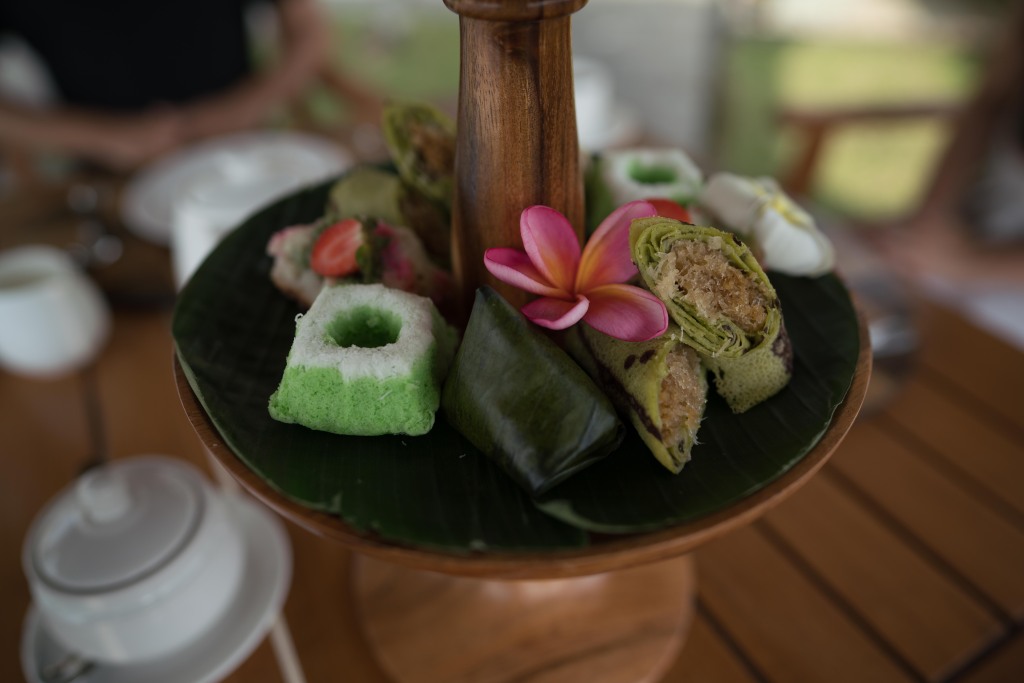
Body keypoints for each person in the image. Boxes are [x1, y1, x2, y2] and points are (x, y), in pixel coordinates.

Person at [0, 0, 378, 172]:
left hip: (248, 149)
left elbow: (308, 30)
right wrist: (101, 137)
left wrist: (244, 107)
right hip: (108, 179)